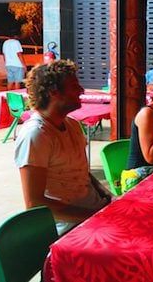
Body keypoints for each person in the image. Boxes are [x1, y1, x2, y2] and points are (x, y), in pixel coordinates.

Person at [14, 60, 112, 235]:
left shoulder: (73, 125)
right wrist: (93, 217)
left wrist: (108, 198)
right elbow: (34, 203)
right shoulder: (36, 134)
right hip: (69, 229)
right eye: (74, 86)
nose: (81, 90)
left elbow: (81, 173)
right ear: (54, 93)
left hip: (96, 213)